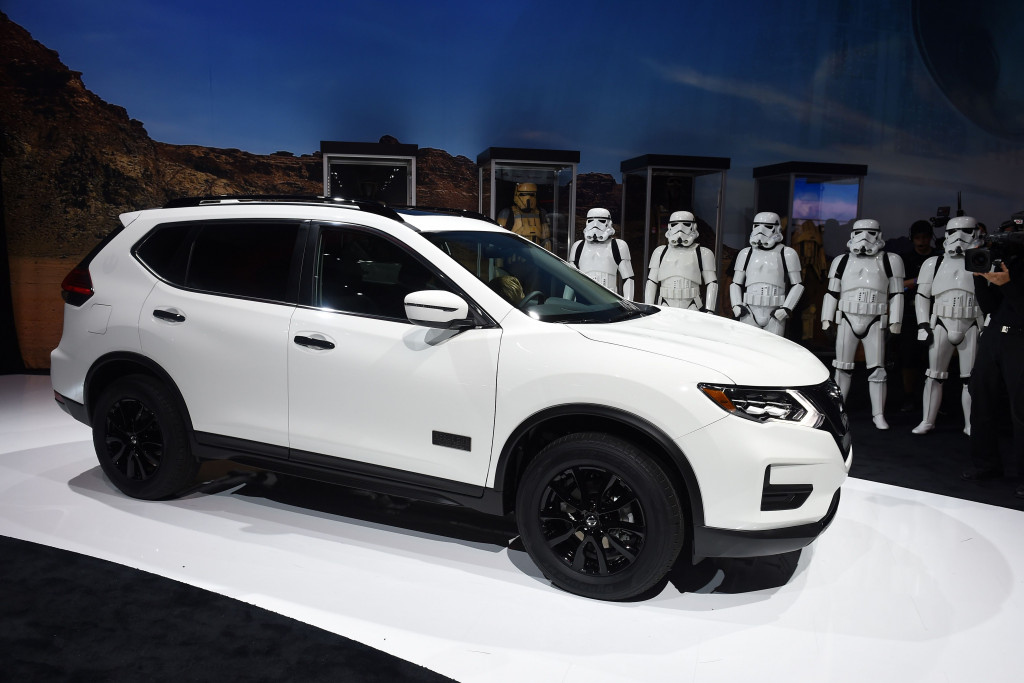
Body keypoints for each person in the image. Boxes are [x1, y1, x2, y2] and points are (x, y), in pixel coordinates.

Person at [821, 219, 905, 429]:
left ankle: (878, 414)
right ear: (852, 235)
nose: (864, 238)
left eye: (870, 233)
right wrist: (826, 319)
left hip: (875, 319)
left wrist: (896, 322)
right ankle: (837, 411)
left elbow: (896, 294)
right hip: (847, 317)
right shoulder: (841, 261)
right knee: (841, 368)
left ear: (879, 234)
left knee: (877, 369)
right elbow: (832, 292)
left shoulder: (890, 260)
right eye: (859, 232)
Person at [961, 230, 1024, 498]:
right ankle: (985, 464)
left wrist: (1008, 283)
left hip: (1020, 340)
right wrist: (980, 279)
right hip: (994, 336)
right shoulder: (1002, 261)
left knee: (1020, 410)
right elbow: (988, 306)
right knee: (981, 400)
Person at [729, 212, 804, 336]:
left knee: (772, 350)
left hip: (775, 311)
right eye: (757, 225)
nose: (761, 230)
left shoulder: (787, 254)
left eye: (768, 226)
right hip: (749, 309)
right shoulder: (746, 253)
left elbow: (798, 285)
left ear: (777, 228)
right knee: (748, 348)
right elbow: (736, 283)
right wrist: (736, 305)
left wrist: (786, 308)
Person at [893, 220, 940, 410]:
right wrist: (917, 281)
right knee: (909, 357)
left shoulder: (938, 258)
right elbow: (897, 286)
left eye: (925, 238)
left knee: (935, 358)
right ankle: (909, 396)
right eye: (918, 238)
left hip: (935, 312)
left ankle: (934, 399)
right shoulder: (905, 259)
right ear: (913, 238)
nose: (921, 242)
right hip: (910, 313)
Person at [644, 210, 718, 311]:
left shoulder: (703, 253)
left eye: (686, 224)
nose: (680, 229)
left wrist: (710, 309)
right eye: (675, 224)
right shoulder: (660, 252)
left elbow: (712, 283)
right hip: (664, 304)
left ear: (694, 227)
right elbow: (651, 281)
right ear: (669, 227)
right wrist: (648, 307)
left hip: (693, 305)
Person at [568, 208, 635, 299]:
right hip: (582, 301)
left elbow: (628, 278)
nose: (595, 225)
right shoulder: (578, 246)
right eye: (591, 221)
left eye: (601, 221)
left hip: (609, 301)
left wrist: (629, 303)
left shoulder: (618, 246)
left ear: (609, 223)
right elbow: (570, 278)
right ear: (587, 222)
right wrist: (566, 302)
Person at [497, 182, 552, 250]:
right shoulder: (507, 213)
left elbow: (546, 239)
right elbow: (499, 240)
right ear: (516, 195)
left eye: (531, 194)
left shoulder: (541, 213)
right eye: (523, 194)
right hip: (514, 253)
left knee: (547, 243)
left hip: (535, 254)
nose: (528, 198)